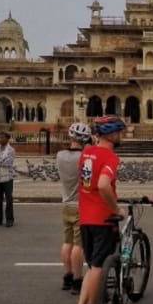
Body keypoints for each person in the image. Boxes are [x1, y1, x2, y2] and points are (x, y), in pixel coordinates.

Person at [68, 115, 126, 304]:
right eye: (119, 132)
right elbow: (103, 185)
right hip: (103, 219)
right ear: (111, 134)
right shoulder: (109, 156)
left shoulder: (86, 153)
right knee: (98, 269)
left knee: (92, 267)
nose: (121, 136)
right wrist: (116, 209)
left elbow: (86, 184)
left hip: (85, 217)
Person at [56, 122, 91, 295]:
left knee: (67, 242)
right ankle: (78, 279)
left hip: (66, 204)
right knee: (79, 245)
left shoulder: (60, 155)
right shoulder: (85, 157)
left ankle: (67, 276)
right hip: (80, 205)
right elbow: (87, 183)